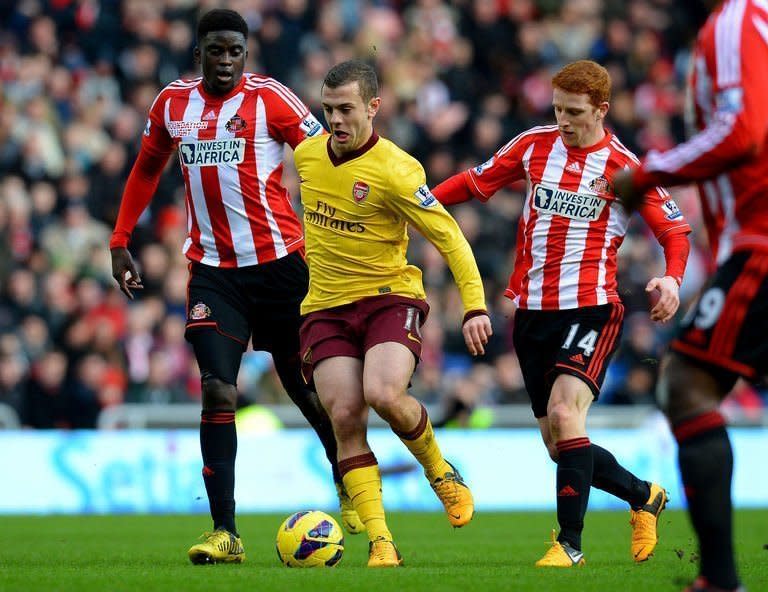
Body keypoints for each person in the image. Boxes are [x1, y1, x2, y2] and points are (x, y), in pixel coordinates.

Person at [109, 9, 363, 565]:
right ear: (199, 53)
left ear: (246, 55)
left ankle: (349, 481)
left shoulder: (271, 98)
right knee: (218, 389)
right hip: (213, 272)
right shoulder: (173, 104)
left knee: (309, 391)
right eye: (217, 51)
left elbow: (323, 157)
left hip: (281, 268)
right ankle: (225, 531)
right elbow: (147, 167)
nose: (226, 61)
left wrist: (347, 222)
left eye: (236, 52)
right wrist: (121, 237)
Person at [432, 60, 692, 567]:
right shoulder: (533, 145)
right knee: (559, 444)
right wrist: (416, 208)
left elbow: (674, 230)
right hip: (531, 313)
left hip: (593, 308)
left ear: (602, 109)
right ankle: (644, 497)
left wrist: (672, 279)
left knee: (563, 414)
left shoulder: (623, 167)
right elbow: (474, 183)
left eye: (574, 112)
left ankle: (569, 545)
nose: (565, 121)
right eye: (557, 109)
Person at [294, 60, 493, 567]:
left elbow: (449, 237)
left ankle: (441, 473)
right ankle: (382, 543)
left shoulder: (398, 170)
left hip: (388, 297)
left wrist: (474, 304)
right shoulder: (306, 155)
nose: (334, 120)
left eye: (345, 110)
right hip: (325, 307)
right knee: (343, 415)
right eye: (327, 109)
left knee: (383, 393)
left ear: (373, 107)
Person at [614, 1, 768, 589]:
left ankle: (722, 581)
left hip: (760, 240)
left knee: (687, 383)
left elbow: (741, 130)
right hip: (747, 238)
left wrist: (646, 173)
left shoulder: (734, 22)